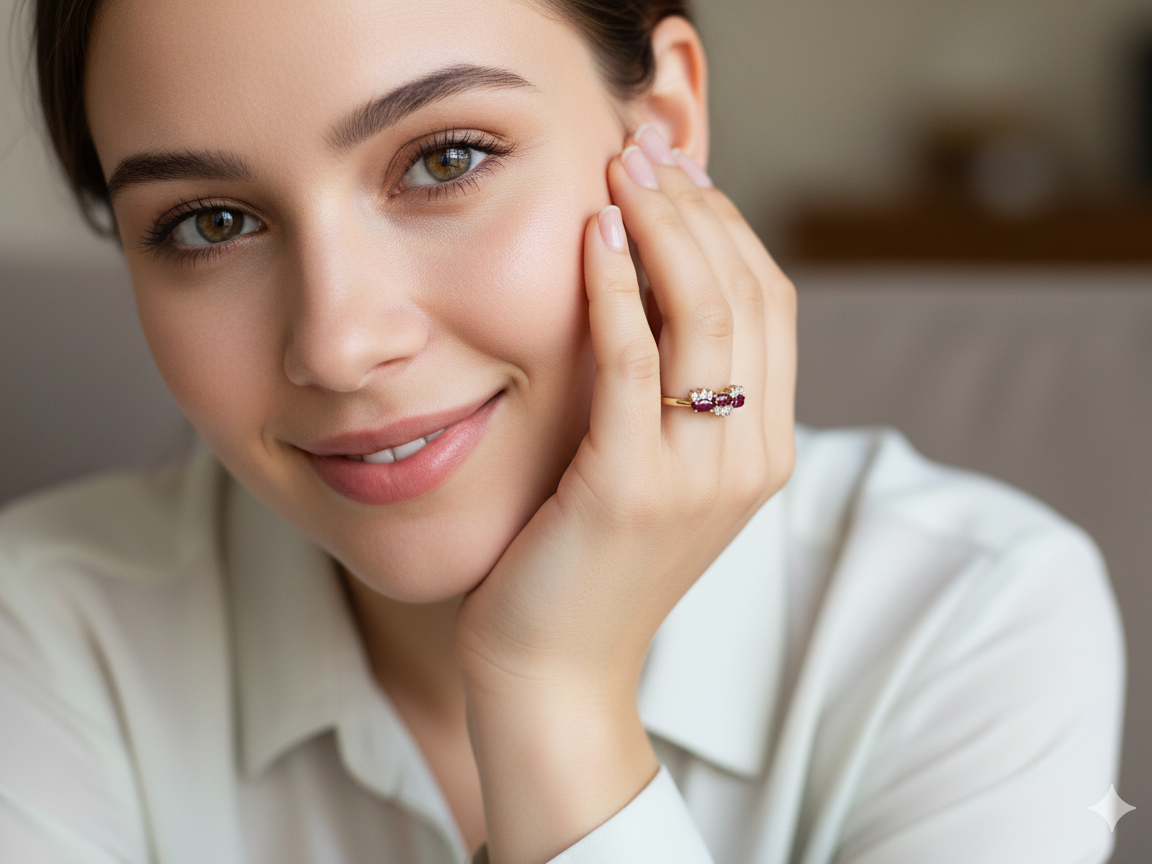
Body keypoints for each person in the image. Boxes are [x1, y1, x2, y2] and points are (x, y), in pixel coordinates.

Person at [1, 0, 1124, 862]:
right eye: (211, 222)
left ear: (665, 134)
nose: (339, 344)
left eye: (446, 159)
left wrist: (553, 698)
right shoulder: (41, 636)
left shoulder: (969, 617)